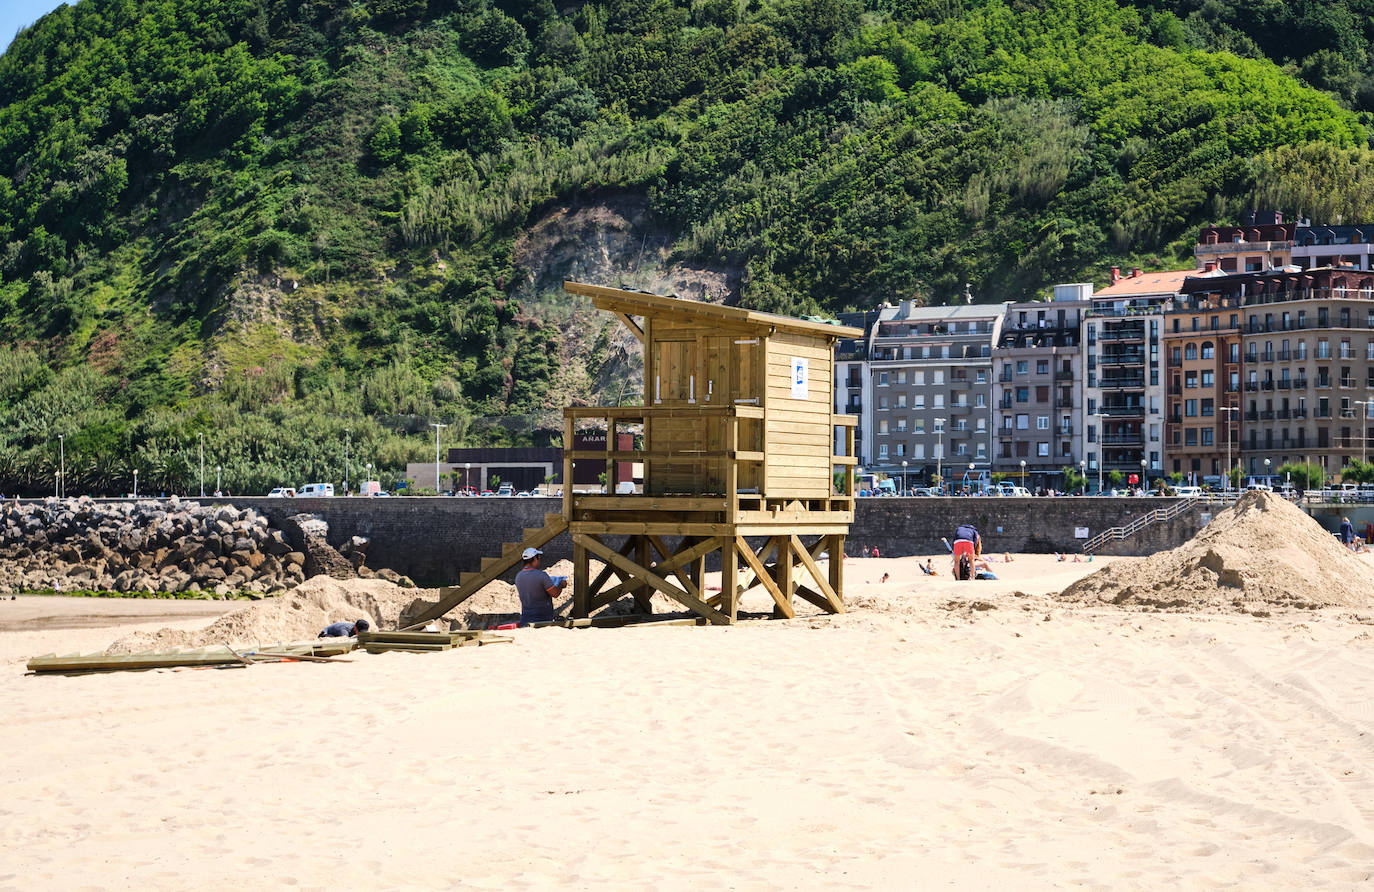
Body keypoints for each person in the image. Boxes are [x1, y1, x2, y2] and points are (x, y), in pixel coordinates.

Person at [515, 546, 566, 626]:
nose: (539, 561)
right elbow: (555, 594)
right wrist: (561, 585)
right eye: (538, 558)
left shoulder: (518, 576)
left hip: (525, 619)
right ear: (535, 559)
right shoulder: (541, 575)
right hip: (542, 620)